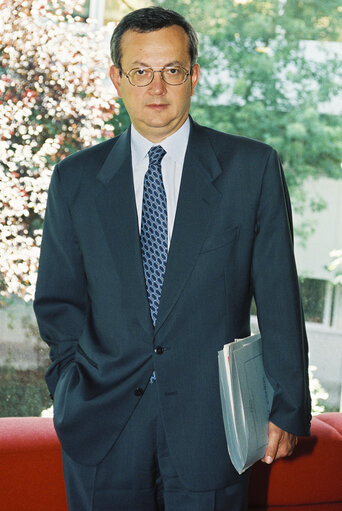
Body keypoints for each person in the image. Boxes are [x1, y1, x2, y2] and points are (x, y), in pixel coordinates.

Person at [34, 6, 311, 511]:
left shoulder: (252, 169)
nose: (156, 88)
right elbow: (57, 303)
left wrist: (287, 406)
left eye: (172, 71)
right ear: (117, 78)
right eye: (140, 71)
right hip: (102, 426)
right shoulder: (74, 180)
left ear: (194, 76)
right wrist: (71, 387)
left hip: (214, 428)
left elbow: (279, 297)